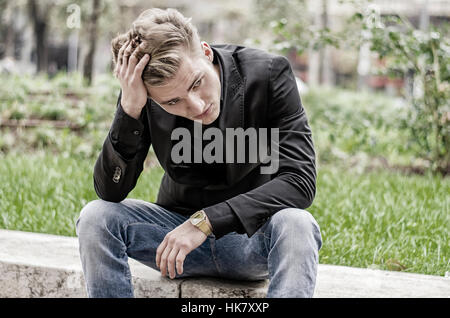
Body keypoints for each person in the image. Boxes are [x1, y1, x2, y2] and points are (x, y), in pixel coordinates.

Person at [76, 7, 322, 298]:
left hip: (252, 240)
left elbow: (300, 181)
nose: (195, 106)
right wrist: (129, 109)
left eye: (197, 83)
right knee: (95, 217)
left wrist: (205, 221)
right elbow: (110, 192)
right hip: (174, 245)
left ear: (205, 52)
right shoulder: (143, 97)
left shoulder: (268, 75)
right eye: (172, 102)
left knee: (297, 224)